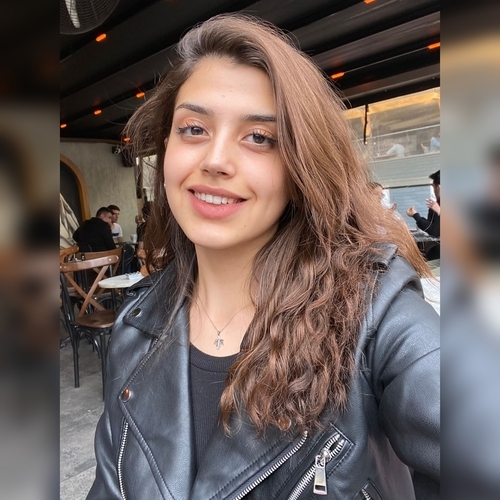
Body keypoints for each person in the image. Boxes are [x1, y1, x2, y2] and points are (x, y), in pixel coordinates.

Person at [87, 14, 439, 500]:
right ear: (166, 148)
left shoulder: (374, 314)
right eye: (193, 128)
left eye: (259, 137)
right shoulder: (133, 329)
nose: (215, 160)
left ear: (300, 165)